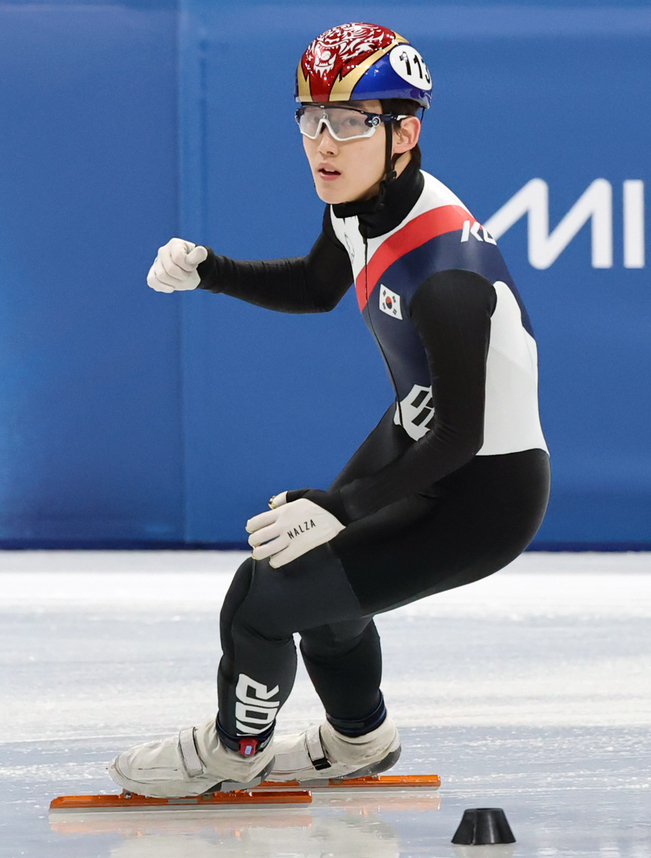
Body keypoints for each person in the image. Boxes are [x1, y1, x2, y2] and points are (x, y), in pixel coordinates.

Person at [111, 22, 550, 797]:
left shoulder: (447, 276)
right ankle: (359, 738)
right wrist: (212, 272)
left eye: (350, 123)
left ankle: (232, 753)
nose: (325, 142)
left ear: (404, 133)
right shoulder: (358, 199)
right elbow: (318, 285)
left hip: (484, 491)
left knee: (264, 596)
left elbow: (463, 433)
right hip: (419, 431)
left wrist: (341, 507)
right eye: (311, 119)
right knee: (308, 578)